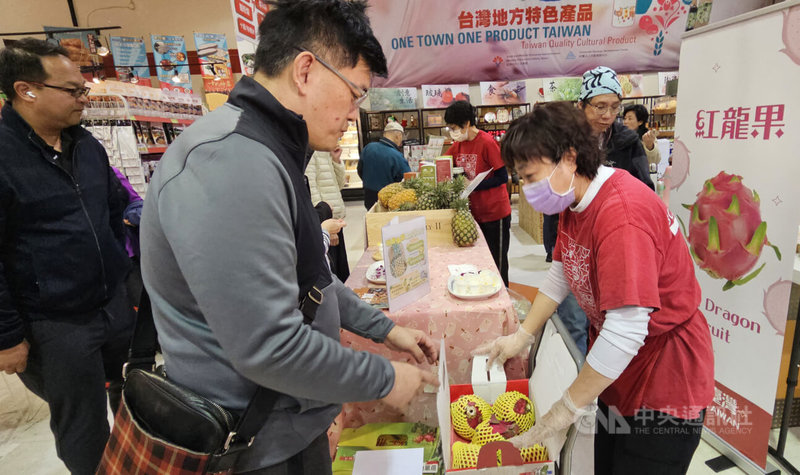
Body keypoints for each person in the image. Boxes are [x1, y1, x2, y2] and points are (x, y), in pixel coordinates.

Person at [139, 2, 439, 474]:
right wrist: (385, 379)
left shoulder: (270, 148)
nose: (352, 113)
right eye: (355, 93)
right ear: (305, 70)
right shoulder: (230, 164)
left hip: (284, 424)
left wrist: (386, 329)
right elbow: (269, 345)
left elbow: (310, 279)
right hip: (247, 443)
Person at [476, 102, 714, 474]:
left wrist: (564, 409)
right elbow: (561, 273)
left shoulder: (622, 216)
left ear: (569, 158)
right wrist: (521, 335)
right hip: (618, 372)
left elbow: (626, 330)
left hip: (664, 380)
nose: (525, 187)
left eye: (529, 175)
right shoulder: (574, 199)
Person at [0, 38, 134, 474]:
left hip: (112, 306)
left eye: (84, 89)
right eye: (73, 90)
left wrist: (123, 275)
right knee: (82, 427)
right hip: (55, 324)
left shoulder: (86, 146)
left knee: (136, 404)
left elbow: (114, 210)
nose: (83, 98)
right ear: (27, 90)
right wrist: (6, 336)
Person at [444, 100, 512, 286]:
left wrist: (473, 185)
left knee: (497, 261)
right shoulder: (458, 145)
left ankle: (504, 298)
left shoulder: (487, 142)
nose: (452, 132)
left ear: (466, 124)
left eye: (454, 127)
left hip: (494, 214)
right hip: (473, 214)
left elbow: (502, 177)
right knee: (479, 261)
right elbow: (443, 161)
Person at [578, 66, 654, 190]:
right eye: (600, 107)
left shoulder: (629, 142)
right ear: (581, 106)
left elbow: (645, 189)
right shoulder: (565, 141)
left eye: (614, 107)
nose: (608, 115)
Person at [306, 146, 350, 281]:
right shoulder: (310, 152)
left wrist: (336, 161)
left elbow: (340, 184)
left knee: (340, 269)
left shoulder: (324, 150)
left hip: (334, 220)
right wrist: (325, 227)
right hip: (326, 222)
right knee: (331, 272)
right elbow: (311, 191)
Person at [358, 120, 409, 209]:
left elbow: (360, 170)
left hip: (368, 196)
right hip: (388, 200)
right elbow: (406, 180)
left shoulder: (368, 147)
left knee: (373, 219)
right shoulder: (397, 156)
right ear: (398, 136)